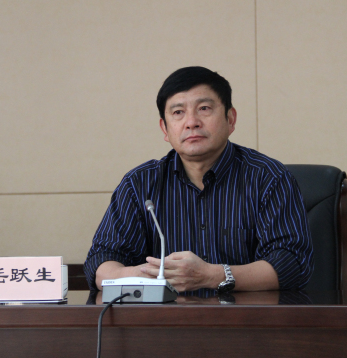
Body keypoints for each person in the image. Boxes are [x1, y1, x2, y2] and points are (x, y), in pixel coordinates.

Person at [84, 66, 313, 293]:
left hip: (245, 316)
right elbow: (101, 263)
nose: (191, 122)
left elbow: (292, 263)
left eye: (204, 108)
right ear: (165, 128)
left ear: (230, 119)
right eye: (178, 112)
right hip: (164, 316)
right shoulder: (139, 184)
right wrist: (150, 275)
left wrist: (212, 276)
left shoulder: (268, 177)